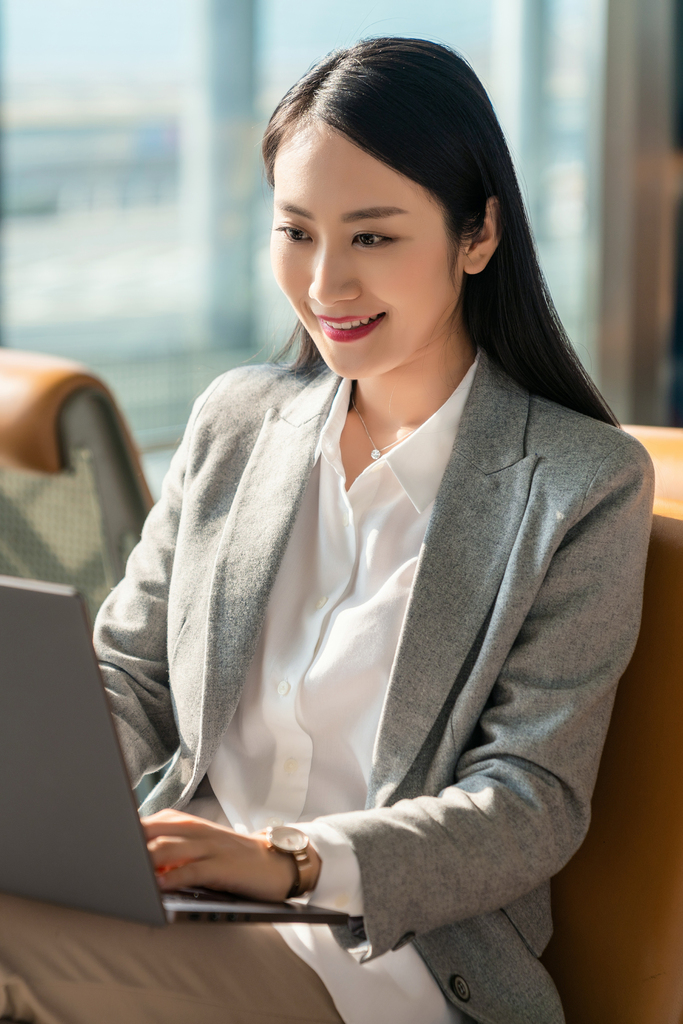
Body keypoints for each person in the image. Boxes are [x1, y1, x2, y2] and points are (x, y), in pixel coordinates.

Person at [0, 36, 653, 1024]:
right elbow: (130, 675)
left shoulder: (577, 485)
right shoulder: (235, 421)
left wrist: (287, 863)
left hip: (385, 958)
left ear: (476, 236)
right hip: (183, 911)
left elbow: (528, 800)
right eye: (296, 232)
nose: (325, 284)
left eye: (373, 236)